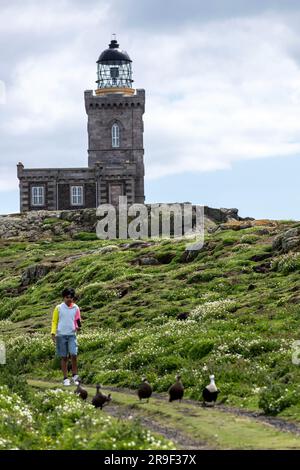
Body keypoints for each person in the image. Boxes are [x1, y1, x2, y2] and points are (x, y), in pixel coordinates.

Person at [51, 287, 81, 386]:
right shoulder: (58, 308)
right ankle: (65, 378)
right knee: (64, 357)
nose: (69, 299)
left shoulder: (76, 308)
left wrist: (78, 327)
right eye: (67, 297)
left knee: (74, 354)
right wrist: (53, 333)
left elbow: (77, 320)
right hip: (61, 335)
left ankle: (75, 375)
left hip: (72, 335)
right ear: (64, 297)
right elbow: (54, 321)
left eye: (71, 297)